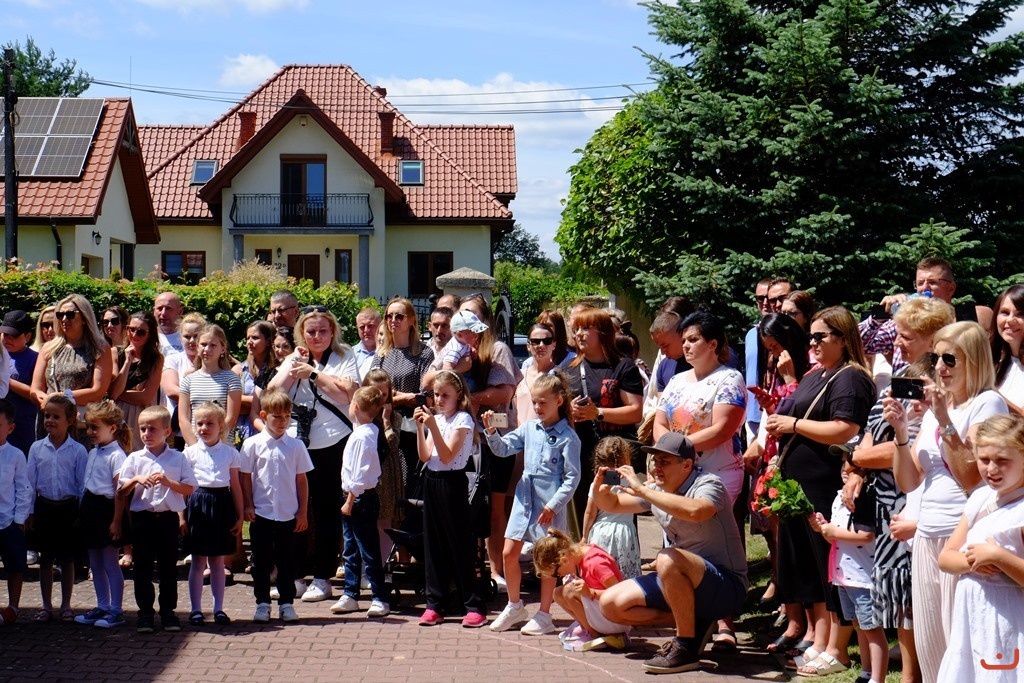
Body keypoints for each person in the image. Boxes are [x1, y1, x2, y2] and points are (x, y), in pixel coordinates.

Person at [882, 320, 1008, 682]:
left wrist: (943, 419)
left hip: (961, 533)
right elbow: (909, 481)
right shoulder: (941, 407)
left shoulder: (987, 403)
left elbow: (973, 477)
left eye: (950, 359)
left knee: (962, 647)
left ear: (974, 360)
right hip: (927, 535)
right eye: (936, 358)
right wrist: (901, 433)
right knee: (931, 646)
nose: (939, 367)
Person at [840, 296, 954, 682]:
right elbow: (874, 430)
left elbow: (914, 443)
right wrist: (857, 467)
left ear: (932, 338)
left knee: (914, 597)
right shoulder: (903, 374)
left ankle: (913, 675)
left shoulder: (937, 384)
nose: (897, 342)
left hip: (913, 498)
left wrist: (860, 458)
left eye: (906, 336)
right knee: (901, 598)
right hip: (888, 497)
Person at [762, 306, 876, 671]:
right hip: (798, 485)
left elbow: (846, 428)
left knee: (829, 567)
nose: (811, 343)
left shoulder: (850, 377)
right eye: (810, 336)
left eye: (820, 336)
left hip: (825, 485)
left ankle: (837, 649)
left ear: (843, 338)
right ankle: (821, 639)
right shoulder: (816, 374)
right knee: (809, 568)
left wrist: (793, 424)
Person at [595, 432, 748, 675]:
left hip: (726, 587)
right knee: (610, 605)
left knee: (666, 557)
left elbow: (697, 511)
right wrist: (599, 490)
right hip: (680, 579)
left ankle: (685, 646)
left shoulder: (710, 484)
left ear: (686, 465)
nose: (656, 467)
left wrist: (643, 490)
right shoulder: (658, 489)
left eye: (664, 462)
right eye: (655, 461)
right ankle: (696, 620)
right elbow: (612, 505)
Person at [268, 307, 360, 603]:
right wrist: (293, 366)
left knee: (326, 511)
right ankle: (294, 576)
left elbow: (346, 395)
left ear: (332, 332)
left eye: (322, 331)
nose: (317, 336)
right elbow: (273, 392)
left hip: (334, 442)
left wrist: (314, 374)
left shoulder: (345, 356)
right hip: (300, 444)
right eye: (310, 332)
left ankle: (322, 577)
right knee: (296, 509)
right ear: (301, 334)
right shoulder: (295, 357)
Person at [484, 372, 582, 635]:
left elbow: (572, 478)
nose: (537, 407)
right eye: (535, 402)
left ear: (559, 401)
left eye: (543, 402)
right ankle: (514, 605)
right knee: (509, 553)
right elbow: (503, 449)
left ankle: (544, 614)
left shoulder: (568, 437)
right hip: (524, 499)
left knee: (547, 560)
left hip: (548, 505)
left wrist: (553, 505)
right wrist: (492, 432)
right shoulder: (529, 428)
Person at [936, 414, 1024, 682]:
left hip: (1010, 618)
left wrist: (998, 556)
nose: (992, 469)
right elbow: (946, 557)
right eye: (984, 460)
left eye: (1002, 460)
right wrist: (971, 562)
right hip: (973, 616)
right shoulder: (981, 498)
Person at [453, 296, 523, 591]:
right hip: (462, 441)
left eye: (471, 314)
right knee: (465, 505)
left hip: (495, 441)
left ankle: (497, 571)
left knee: (495, 508)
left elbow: (504, 392)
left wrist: (470, 399)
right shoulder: (455, 350)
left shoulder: (497, 349)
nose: (466, 321)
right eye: (461, 314)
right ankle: (466, 567)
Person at [413, 370, 488, 628]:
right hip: (431, 481)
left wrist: (432, 426)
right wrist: (421, 427)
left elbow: (447, 456)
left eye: (445, 395)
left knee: (459, 544)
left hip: (452, 482)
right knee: (433, 544)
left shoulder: (463, 419)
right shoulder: (437, 420)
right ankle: (435, 604)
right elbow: (426, 456)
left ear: (458, 395)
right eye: (436, 394)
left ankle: (474, 605)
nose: (439, 399)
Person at [118, 405, 197, 633]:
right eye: (142, 429)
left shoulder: (177, 458)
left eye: (152, 429)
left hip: (167, 520)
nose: (146, 434)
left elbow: (190, 488)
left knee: (168, 568)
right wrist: (136, 480)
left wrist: (168, 482)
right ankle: (145, 613)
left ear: (167, 432)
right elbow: (120, 490)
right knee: (142, 568)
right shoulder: (134, 458)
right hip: (142, 519)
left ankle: (168, 612)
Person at [654, 310, 746, 502]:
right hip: (677, 473)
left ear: (713, 344)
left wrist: (676, 448)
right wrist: (669, 452)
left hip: (715, 474)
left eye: (693, 339)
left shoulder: (729, 379)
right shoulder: (676, 381)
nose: (685, 345)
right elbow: (659, 423)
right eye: (684, 340)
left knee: (702, 521)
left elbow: (721, 431)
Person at [239, 388, 312, 624]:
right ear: (263, 415)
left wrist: (302, 511)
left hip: (288, 514)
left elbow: (301, 479)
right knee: (261, 561)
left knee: (287, 560)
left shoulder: (296, 446)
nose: (282, 422)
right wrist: (248, 504)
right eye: (277, 417)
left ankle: (286, 603)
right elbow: (245, 477)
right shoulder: (252, 444)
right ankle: (262, 603)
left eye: (287, 416)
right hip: (262, 513)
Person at [566, 307, 644, 525]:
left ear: (602, 332)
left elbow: (635, 411)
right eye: (576, 329)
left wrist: (597, 413)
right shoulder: (569, 370)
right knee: (584, 519)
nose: (579, 334)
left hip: (614, 458)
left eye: (586, 328)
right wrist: (568, 411)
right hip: (581, 456)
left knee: (616, 518)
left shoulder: (623, 366)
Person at [808, 476, 888, 681]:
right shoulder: (839, 498)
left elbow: (867, 535)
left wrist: (834, 531)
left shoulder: (865, 496)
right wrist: (823, 528)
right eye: (843, 466)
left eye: (852, 468)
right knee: (859, 627)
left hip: (863, 578)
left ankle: (877, 678)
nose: (846, 472)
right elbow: (835, 538)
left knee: (872, 630)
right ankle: (866, 672)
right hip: (844, 577)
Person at [860, 257, 993, 371]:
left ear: (951, 288)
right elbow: (859, 345)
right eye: (920, 283)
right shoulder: (904, 324)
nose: (924, 289)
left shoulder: (965, 319)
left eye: (932, 282)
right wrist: (880, 315)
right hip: (905, 391)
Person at [330, 386, 390, 618]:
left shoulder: (364, 437)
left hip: (359, 498)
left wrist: (350, 500)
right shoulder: (364, 431)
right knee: (351, 548)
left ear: (355, 407)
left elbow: (360, 472)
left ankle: (379, 597)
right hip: (354, 496)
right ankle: (350, 594)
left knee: (367, 549)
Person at [26, 395, 87, 623]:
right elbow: (30, 483)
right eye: (47, 416)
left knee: (67, 559)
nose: (50, 420)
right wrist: (29, 511)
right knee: (46, 559)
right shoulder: (36, 448)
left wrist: (80, 512)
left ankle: (66, 605)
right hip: (44, 508)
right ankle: (46, 605)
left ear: (69, 420)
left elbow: (81, 485)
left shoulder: (78, 450)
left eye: (56, 416)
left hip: (68, 509)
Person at [183, 402, 244, 627]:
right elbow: (183, 487)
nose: (204, 428)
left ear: (221, 427)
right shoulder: (189, 453)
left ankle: (219, 608)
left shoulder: (230, 453)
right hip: (197, 504)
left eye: (210, 423)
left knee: (218, 560)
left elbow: (235, 486)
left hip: (221, 505)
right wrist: (181, 516)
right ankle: (196, 610)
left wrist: (240, 516)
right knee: (198, 560)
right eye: (199, 423)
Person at [371, 298, 434, 505]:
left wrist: (391, 396)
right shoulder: (382, 354)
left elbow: (425, 396)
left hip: (411, 429)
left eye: (399, 316)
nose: (393, 320)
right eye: (389, 316)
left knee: (409, 485)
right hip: (385, 426)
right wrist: (405, 397)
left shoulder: (424, 353)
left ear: (412, 320)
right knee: (386, 487)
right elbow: (371, 393)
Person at [74, 400, 131, 629]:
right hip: (91, 509)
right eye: (88, 427)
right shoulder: (94, 452)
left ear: (112, 428)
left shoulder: (117, 455)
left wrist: (116, 521)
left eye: (95, 427)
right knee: (95, 563)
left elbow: (120, 493)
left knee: (110, 563)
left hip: (107, 512)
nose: (89, 432)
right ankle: (102, 605)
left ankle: (116, 610)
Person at [532, 528, 630, 650]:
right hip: (607, 614)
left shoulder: (595, 562)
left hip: (618, 621)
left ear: (563, 560)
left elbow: (620, 596)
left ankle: (595, 634)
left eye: (556, 574)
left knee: (568, 591)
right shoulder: (582, 556)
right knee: (557, 593)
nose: (560, 576)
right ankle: (588, 628)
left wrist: (590, 592)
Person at [30, 294, 113, 433]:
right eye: (60, 315)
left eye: (70, 315)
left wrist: (61, 397)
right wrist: (49, 403)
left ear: (85, 318)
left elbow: (98, 391)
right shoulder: (49, 348)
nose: (64, 319)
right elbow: (35, 389)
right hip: (49, 423)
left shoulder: (100, 348)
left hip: (80, 424)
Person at [581, 436, 642, 579]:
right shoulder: (632, 481)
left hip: (601, 531)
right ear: (626, 459)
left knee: (603, 571)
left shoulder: (597, 485)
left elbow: (590, 513)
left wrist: (584, 536)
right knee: (625, 574)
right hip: (624, 532)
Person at [362, 368, 403, 563]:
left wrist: (386, 422)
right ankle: (363, 564)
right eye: (374, 394)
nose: (379, 400)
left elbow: (393, 446)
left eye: (384, 395)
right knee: (362, 520)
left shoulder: (395, 417)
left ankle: (381, 564)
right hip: (364, 471)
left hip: (385, 473)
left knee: (384, 520)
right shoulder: (359, 415)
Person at [178, 324, 242, 447]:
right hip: (194, 447)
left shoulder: (231, 379)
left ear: (222, 348)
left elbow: (231, 418)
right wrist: (196, 447)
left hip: (223, 447)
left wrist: (214, 445)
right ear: (197, 347)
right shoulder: (188, 380)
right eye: (203, 344)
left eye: (213, 345)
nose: (207, 349)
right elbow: (183, 419)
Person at [109, 311, 164, 452]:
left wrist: (119, 393)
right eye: (131, 329)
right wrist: (127, 362)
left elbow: (145, 397)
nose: (134, 335)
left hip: (140, 418)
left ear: (150, 334)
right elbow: (113, 393)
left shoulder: (156, 359)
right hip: (117, 416)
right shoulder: (115, 353)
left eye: (141, 332)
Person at [0, 398, 32, 625]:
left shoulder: (16, 455)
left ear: (10, 428)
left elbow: (23, 488)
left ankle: (13, 606)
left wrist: (19, 519)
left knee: (15, 565)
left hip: (8, 520)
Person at [160, 312, 206, 451]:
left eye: (196, 336)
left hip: (206, 429)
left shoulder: (214, 361)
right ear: (180, 339)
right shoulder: (172, 360)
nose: (191, 340)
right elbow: (171, 391)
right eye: (187, 336)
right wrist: (206, 397)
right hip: (176, 433)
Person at [1, 310, 40, 456]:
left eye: (14, 336)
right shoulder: (1, 355)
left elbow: (36, 393)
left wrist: (5, 380)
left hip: (23, 427)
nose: (8, 339)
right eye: (5, 335)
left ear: (27, 336)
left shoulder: (35, 358)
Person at [235, 320, 278, 444]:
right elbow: (230, 402)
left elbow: (274, 403)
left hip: (271, 430)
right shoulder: (239, 370)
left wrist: (244, 401)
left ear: (268, 341)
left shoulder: (277, 370)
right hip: (243, 434)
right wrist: (256, 403)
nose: (249, 342)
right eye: (248, 338)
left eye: (255, 338)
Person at [744, 279, 774, 440]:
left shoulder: (784, 334)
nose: (765, 302)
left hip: (774, 411)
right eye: (760, 298)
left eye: (769, 298)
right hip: (752, 414)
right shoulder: (751, 334)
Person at [991, 284, 1024, 412]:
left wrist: (988, 391)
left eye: (1020, 314)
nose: (1010, 320)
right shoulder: (995, 362)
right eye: (1005, 313)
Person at [353, 307, 382, 379]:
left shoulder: (389, 354)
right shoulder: (349, 354)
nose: (366, 330)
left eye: (371, 326)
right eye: (362, 327)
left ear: (380, 326)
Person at [153, 291, 184, 356]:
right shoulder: (146, 337)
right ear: (154, 311)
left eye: (168, 308)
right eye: (160, 308)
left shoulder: (189, 337)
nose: (163, 313)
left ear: (180, 311)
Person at [425, 306, 454, 372]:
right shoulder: (422, 351)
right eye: (436, 325)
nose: (439, 330)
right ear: (430, 326)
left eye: (444, 325)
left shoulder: (460, 352)